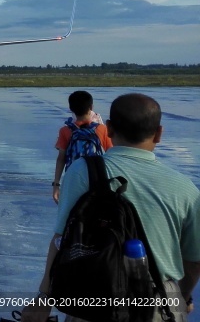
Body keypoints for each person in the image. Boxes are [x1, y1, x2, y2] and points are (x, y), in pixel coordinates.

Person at [19, 93, 200, 322]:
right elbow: (194, 262)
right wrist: (181, 298)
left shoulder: (81, 171)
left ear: (110, 129)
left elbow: (60, 240)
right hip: (158, 302)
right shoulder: (185, 188)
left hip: (94, 299)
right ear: (159, 133)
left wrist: (43, 299)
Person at [51, 90, 113, 204]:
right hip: (97, 180)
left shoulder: (65, 131)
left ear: (71, 108)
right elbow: (112, 156)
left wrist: (56, 185)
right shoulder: (102, 129)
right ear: (91, 106)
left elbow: (61, 159)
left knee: (72, 214)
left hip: (73, 179)